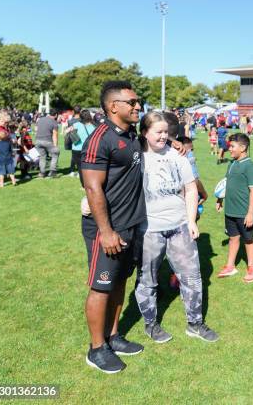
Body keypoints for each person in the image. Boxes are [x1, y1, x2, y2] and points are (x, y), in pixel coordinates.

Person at [134, 111, 218, 344]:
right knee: (147, 279)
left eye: (166, 132)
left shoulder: (179, 156)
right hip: (148, 229)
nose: (163, 137)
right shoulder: (136, 156)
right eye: (157, 132)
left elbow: (191, 189)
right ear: (145, 133)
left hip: (179, 225)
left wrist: (191, 221)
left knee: (192, 277)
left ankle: (195, 323)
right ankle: (151, 324)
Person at [80, 81, 146, 373]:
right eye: (132, 102)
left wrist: (177, 142)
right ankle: (96, 349)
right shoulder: (99, 138)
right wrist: (106, 231)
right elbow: (93, 188)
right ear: (113, 106)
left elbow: (157, 139)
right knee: (101, 287)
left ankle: (114, 335)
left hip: (130, 225)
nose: (138, 106)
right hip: (106, 229)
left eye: (138, 101)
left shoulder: (131, 134)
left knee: (119, 282)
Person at [216, 133, 253, 283]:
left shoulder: (250, 166)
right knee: (233, 237)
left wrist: (250, 213)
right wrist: (220, 199)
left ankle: (251, 267)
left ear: (243, 147)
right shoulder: (232, 163)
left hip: (244, 212)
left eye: (233, 146)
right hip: (230, 210)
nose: (230, 149)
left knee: (248, 239)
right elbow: (227, 183)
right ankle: (230, 266)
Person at [70, 110, 96, 177]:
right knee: (90, 166)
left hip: (76, 148)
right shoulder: (94, 126)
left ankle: (84, 184)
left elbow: (67, 133)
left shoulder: (76, 125)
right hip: (89, 148)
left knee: (80, 167)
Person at [35, 109, 60, 178]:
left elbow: (36, 129)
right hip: (47, 141)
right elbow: (55, 135)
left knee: (42, 157)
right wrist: (55, 146)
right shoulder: (54, 122)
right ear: (56, 115)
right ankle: (52, 171)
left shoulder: (40, 119)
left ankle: (42, 173)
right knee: (56, 153)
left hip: (38, 140)